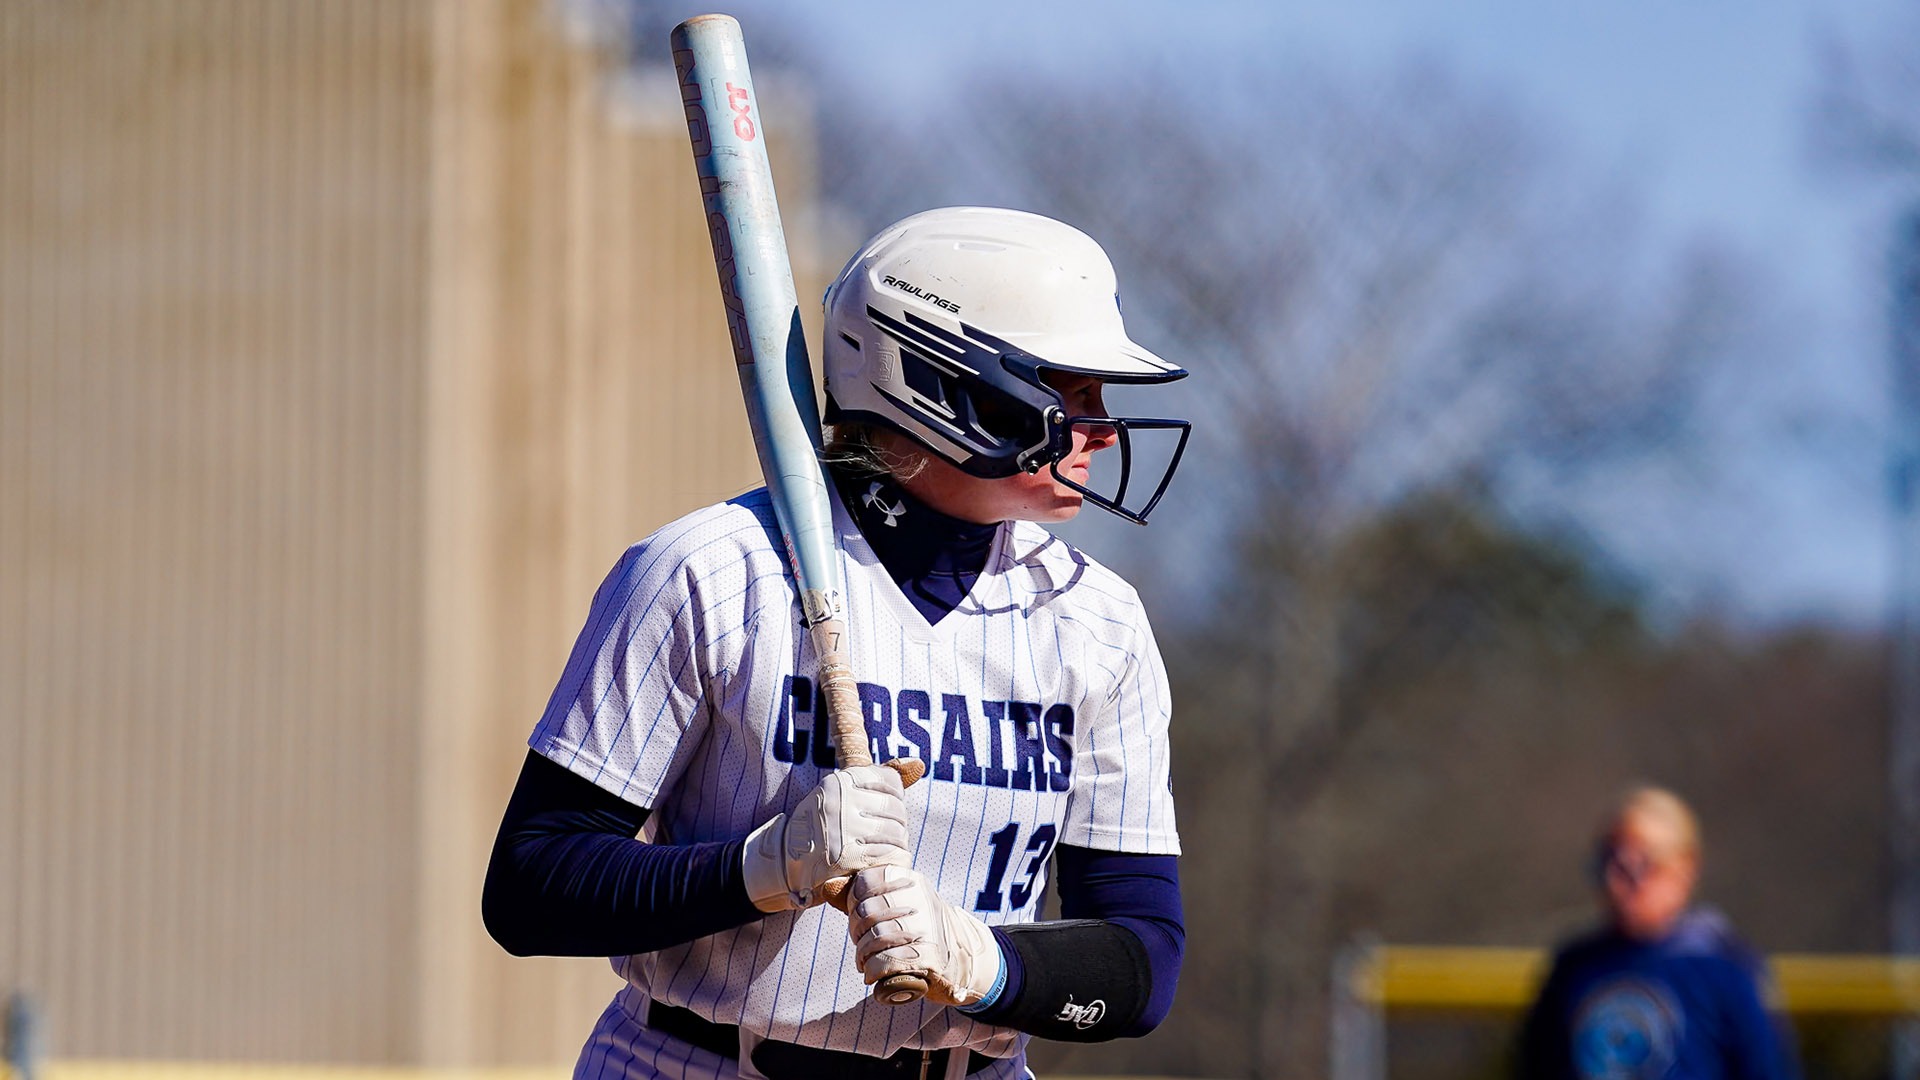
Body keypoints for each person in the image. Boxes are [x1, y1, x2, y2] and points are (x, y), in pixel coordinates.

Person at [482, 206, 1190, 1080]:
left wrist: (984, 961)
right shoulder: (711, 570)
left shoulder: (1096, 620)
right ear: (943, 384)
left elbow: (1143, 959)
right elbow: (532, 885)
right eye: (1069, 388)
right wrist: (760, 866)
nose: (1103, 428)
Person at [1517, 787, 1799, 1080]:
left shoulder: (1724, 969)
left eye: (1637, 867)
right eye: (1607, 864)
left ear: (1685, 868)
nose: (1616, 884)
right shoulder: (1574, 967)